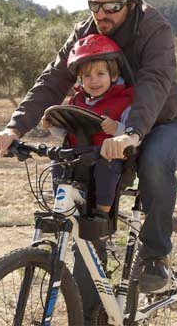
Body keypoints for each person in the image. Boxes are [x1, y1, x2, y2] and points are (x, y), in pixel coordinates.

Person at [0, 0, 177, 322]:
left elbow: (154, 84)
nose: (101, 13)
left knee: (154, 162)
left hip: (161, 122)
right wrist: (14, 127)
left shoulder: (154, 28)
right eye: (94, 3)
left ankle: (155, 258)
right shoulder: (86, 30)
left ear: (131, 0)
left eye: (111, 5)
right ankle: (93, 305)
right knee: (81, 206)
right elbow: (52, 79)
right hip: (107, 130)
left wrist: (133, 132)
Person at [41, 34, 133, 217]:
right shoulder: (76, 101)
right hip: (79, 157)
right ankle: (63, 206)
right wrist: (52, 125)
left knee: (105, 166)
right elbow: (69, 132)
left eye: (100, 74)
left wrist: (116, 128)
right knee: (57, 162)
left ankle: (102, 214)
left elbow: (133, 132)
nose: (94, 80)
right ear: (80, 79)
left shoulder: (123, 101)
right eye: (87, 76)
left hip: (109, 158)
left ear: (113, 75)